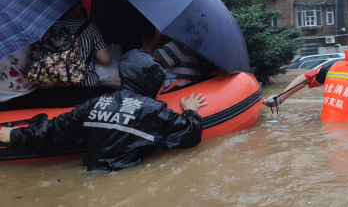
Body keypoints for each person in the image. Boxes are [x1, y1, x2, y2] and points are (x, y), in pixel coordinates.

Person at [0, 49, 207, 171]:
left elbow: (54, 131)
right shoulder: (152, 110)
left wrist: (12, 134)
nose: (163, 88)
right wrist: (190, 111)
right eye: (161, 83)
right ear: (149, 80)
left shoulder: (93, 103)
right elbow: (190, 134)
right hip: (126, 175)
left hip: (89, 171)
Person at [0, 4, 112, 111]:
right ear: (77, 8)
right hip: (84, 89)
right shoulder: (89, 26)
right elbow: (105, 60)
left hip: (48, 94)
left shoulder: (43, 30)